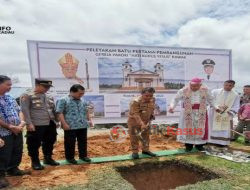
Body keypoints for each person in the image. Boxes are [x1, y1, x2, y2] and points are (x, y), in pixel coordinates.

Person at [168, 78, 217, 152]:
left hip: (201, 112)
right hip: (187, 113)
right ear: (190, 84)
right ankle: (188, 145)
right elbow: (175, 99)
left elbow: (211, 99)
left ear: (200, 85)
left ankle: (199, 145)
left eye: (196, 86)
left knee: (200, 128)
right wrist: (172, 107)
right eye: (192, 86)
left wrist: (216, 107)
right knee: (188, 128)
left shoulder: (206, 90)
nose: (194, 88)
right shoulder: (183, 90)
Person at [20, 79, 59, 170]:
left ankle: (48, 158)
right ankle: (35, 161)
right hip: (36, 124)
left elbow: (53, 110)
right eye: (45, 86)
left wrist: (56, 121)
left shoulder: (49, 96)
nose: (47, 89)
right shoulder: (27, 95)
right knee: (34, 143)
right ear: (37, 85)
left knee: (50, 140)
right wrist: (29, 123)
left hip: (50, 123)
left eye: (49, 87)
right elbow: (24, 110)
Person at [0, 75, 30, 189]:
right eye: (8, 85)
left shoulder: (10, 97)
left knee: (17, 150)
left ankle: (13, 169)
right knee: (3, 153)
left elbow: (19, 110)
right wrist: (10, 126)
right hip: (3, 132)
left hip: (17, 129)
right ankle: (1, 176)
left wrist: (22, 122)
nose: (10, 87)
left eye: (11, 85)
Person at [56, 84, 93, 164]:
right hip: (70, 126)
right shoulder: (63, 100)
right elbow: (60, 113)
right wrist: (64, 124)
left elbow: (86, 111)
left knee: (83, 141)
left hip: (83, 125)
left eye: (83, 93)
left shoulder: (82, 100)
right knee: (70, 142)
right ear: (72, 92)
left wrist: (89, 120)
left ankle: (83, 156)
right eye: (80, 93)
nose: (81, 95)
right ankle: (70, 158)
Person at [127, 87, 157, 159]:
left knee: (146, 136)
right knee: (134, 137)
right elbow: (135, 114)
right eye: (146, 95)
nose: (149, 97)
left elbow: (152, 108)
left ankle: (145, 150)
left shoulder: (153, 100)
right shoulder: (135, 101)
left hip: (146, 121)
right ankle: (135, 152)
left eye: (151, 95)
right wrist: (141, 124)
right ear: (142, 94)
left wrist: (152, 115)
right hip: (134, 121)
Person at [208, 80, 240, 146]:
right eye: (226, 85)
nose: (227, 87)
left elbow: (236, 105)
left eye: (230, 85)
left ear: (233, 86)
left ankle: (222, 142)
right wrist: (216, 107)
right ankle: (210, 140)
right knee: (212, 127)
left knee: (224, 129)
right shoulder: (215, 91)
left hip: (226, 114)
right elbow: (210, 100)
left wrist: (230, 112)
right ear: (223, 84)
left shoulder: (235, 95)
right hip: (214, 113)